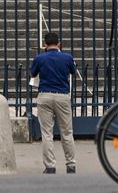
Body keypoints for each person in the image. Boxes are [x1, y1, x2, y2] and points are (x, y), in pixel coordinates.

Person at [29, 32, 77, 174]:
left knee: (47, 133)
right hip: (62, 96)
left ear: (45, 44)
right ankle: (71, 165)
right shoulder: (67, 57)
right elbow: (73, 71)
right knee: (67, 132)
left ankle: (50, 166)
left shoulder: (39, 58)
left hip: (45, 96)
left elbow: (32, 74)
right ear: (59, 44)